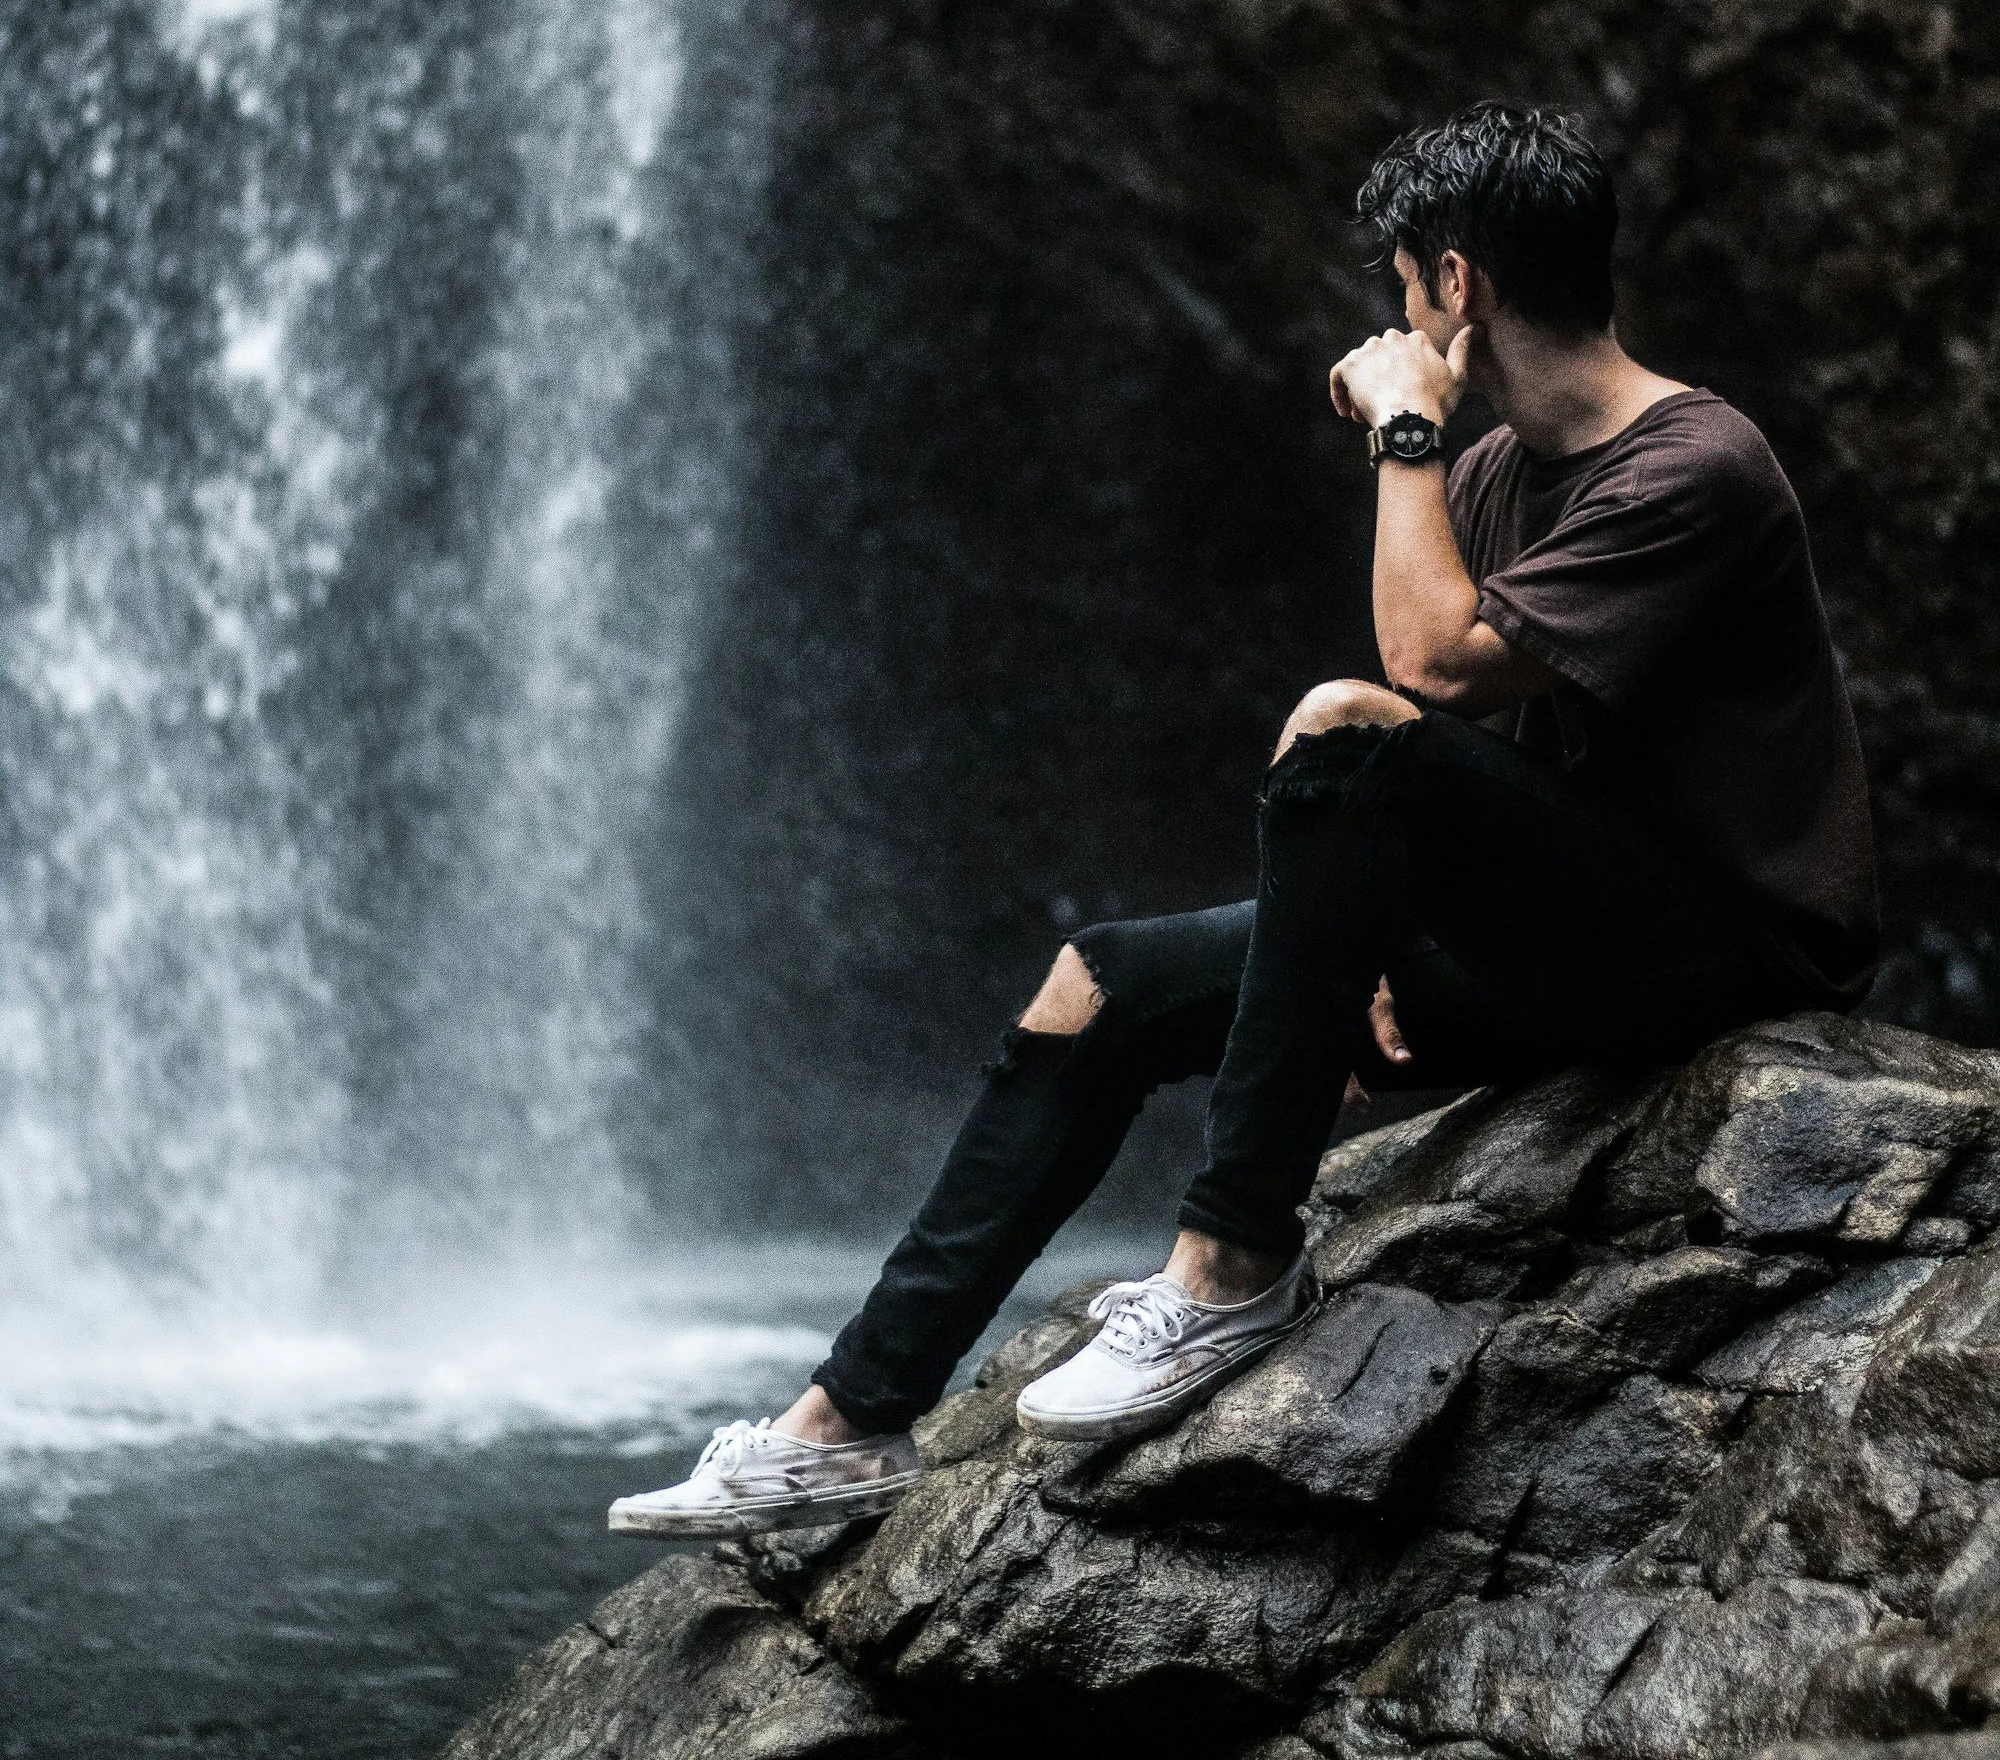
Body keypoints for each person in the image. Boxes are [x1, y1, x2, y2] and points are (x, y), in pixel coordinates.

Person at [608, 103, 1877, 1541]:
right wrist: (1356, 966)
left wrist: (1405, 425)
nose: (1395, 317)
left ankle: (1230, 1268)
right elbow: (1449, 767)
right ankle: (847, 1421)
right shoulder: (1489, 475)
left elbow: (1430, 672)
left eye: (1403, 286)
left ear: (1455, 286)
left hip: (1721, 954)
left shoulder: (1693, 465)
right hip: (1566, 930)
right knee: (1096, 983)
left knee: (1347, 721)